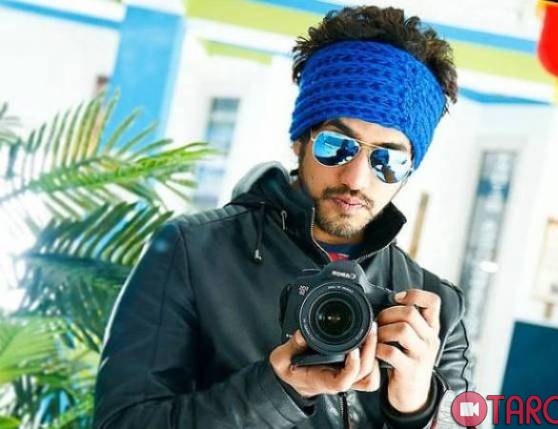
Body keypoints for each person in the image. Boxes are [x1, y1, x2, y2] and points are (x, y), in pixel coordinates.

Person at [94, 5, 475, 429]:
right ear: (300, 140)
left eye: (387, 160)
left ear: (409, 171)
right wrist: (278, 390)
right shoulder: (192, 253)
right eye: (337, 145)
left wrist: (417, 407)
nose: (355, 178)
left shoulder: (436, 307)